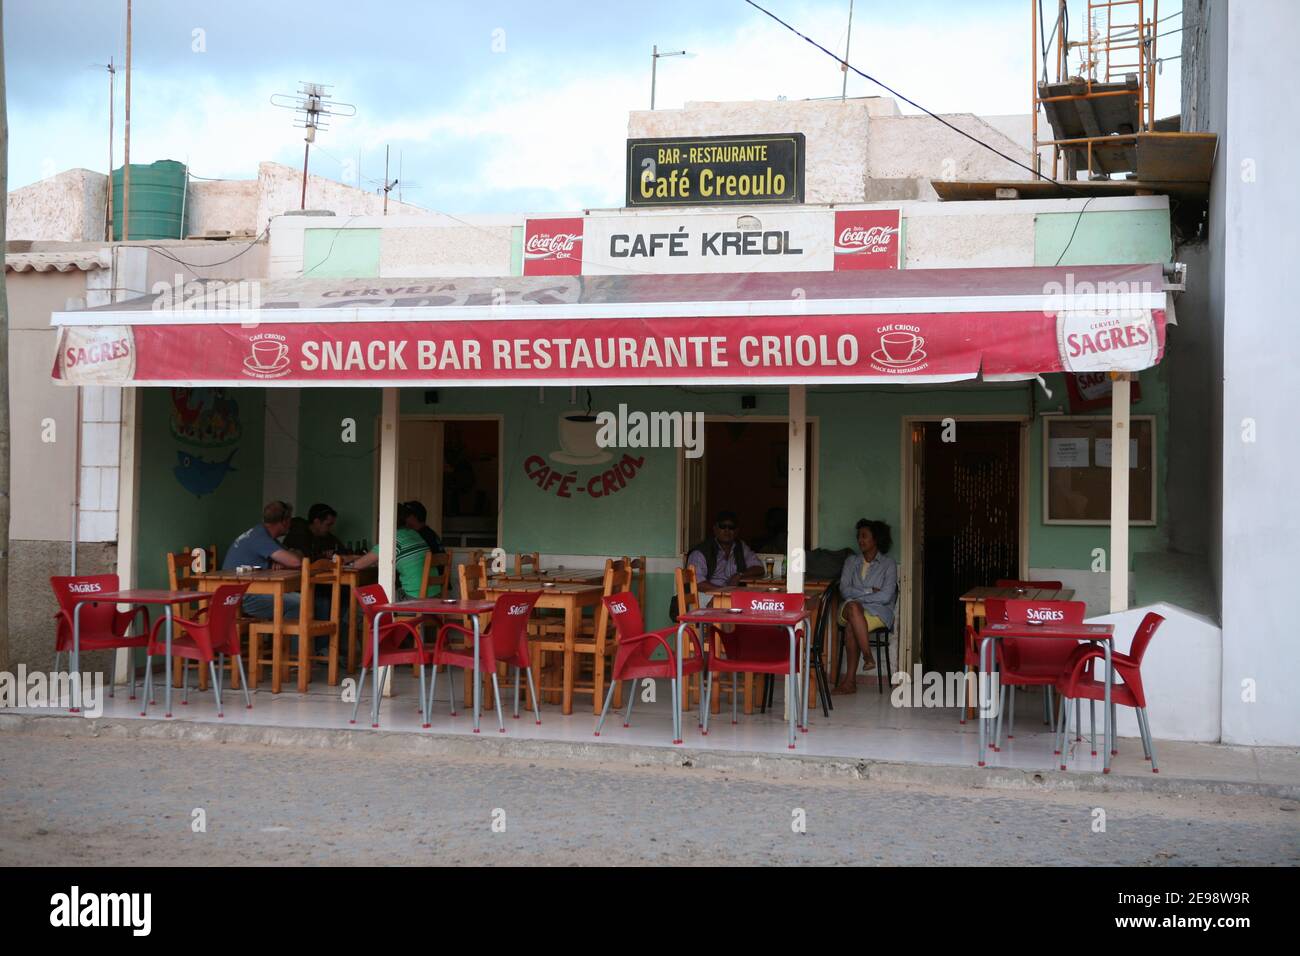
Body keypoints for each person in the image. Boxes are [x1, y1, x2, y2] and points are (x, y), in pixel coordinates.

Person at [222, 501, 331, 624]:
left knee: (307, 600)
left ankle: (280, 638)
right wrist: (286, 560)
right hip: (242, 597)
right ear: (284, 521)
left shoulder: (262, 534)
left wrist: (285, 560)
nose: (291, 524)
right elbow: (295, 561)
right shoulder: (260, 537)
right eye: (290, 519)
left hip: (247, 592)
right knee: (302, 602)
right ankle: (286, 642)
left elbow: (296, 554)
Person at [834, 518, 898, 695]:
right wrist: (869, 590)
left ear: (876, 539)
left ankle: (850, 683)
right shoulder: (851, 561)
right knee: (853, 608)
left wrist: (858, 595)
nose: (860, 540)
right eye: (858, 536)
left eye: (864, 536)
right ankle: (868, 656)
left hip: (877, 612)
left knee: (851, 624)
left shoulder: (888, 564)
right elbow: (844, 591)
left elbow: (886, 596)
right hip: (849, 608)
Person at [347, 512, 432, 600]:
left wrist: (347, 563)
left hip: (415, 599)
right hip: (433, 596)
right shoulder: (413, 534)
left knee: (366, 602)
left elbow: (357, 565)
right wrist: (355, 557)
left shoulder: (392, 539)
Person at [686, 510, 765, 593]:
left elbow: (759, 568)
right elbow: (698, 584)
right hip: (705, 595)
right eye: (722, 526)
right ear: (715, 529)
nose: (727, 530)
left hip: (730, 595)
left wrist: (739, 575)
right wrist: (725, 592)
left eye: (731, 527)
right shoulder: (700, 552)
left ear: (737, 531)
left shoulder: (740, 547)